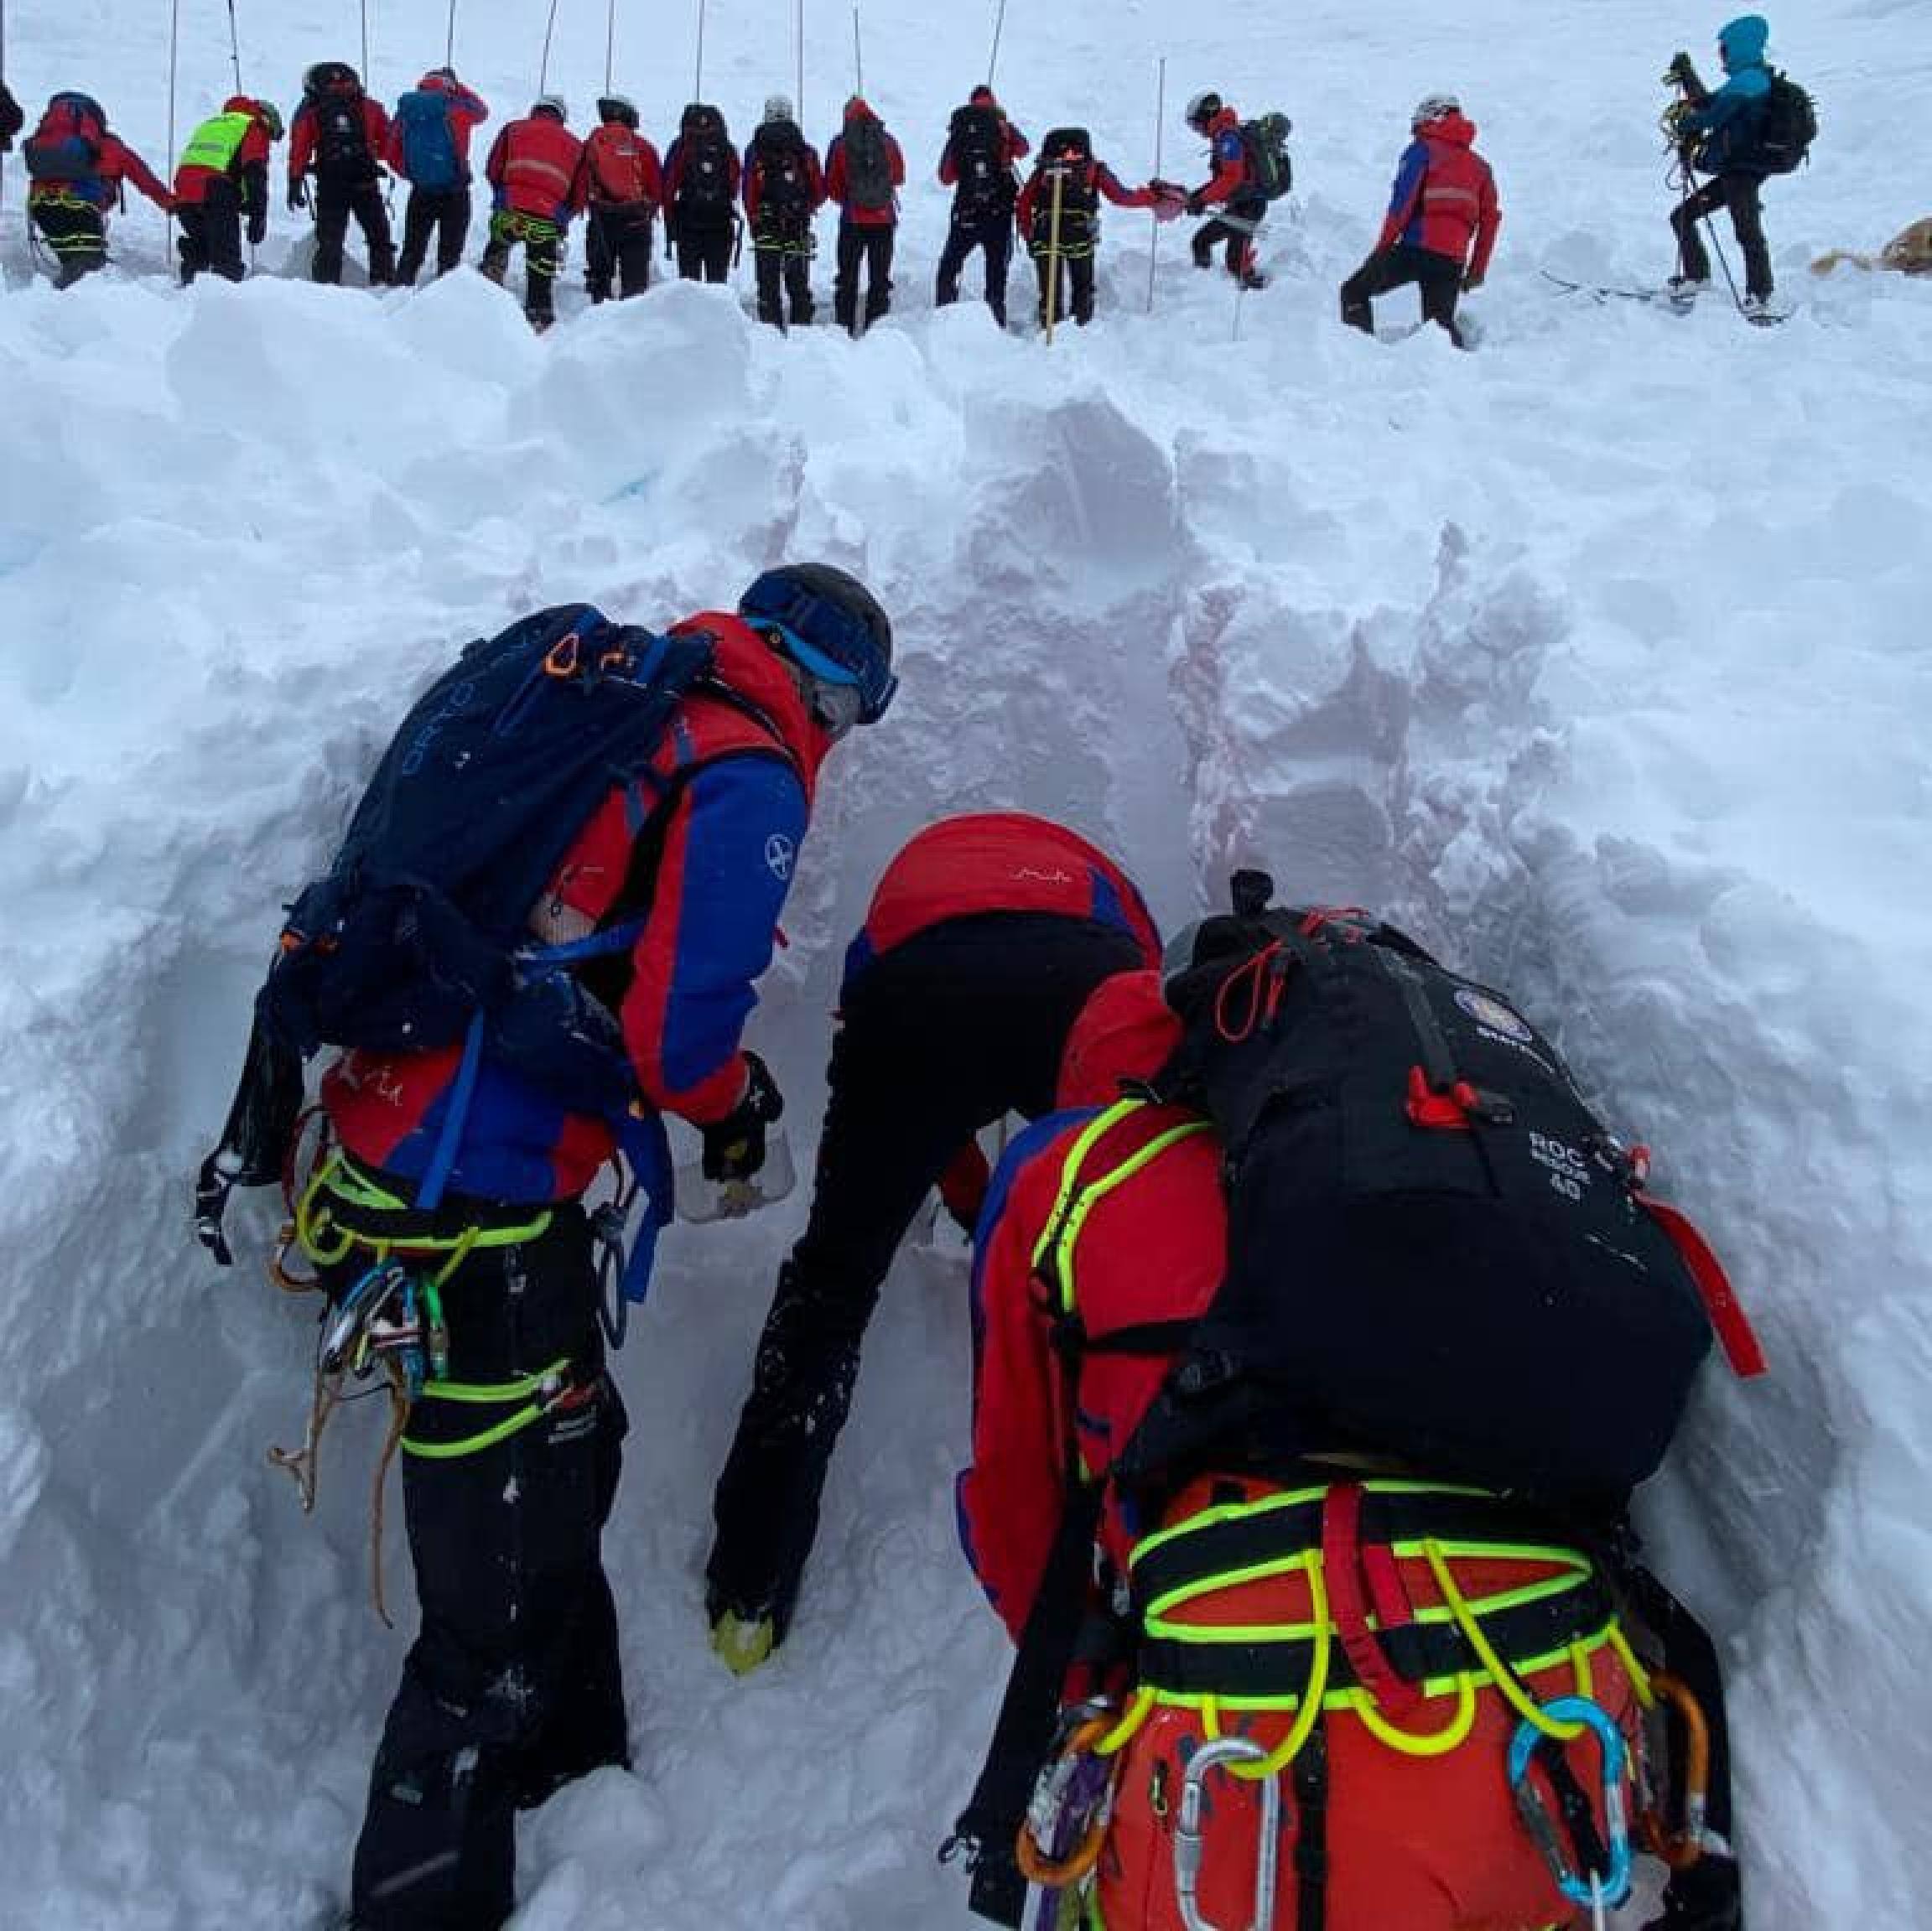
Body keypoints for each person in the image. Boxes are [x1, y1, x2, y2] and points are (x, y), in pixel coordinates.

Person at [211, 563, 896, 1931]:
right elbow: (675, 1041)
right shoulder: (746, 771)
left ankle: (579, 1784)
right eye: (853, 714)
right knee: (488, 1625)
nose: (836, 739)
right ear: (829, 692)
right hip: (477, 1199)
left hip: (393, 1145)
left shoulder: (640, 706)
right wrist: (729, 1103)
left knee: (579, 1452)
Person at [954, 898, 1755, 1931]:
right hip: (1542, 1733)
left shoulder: (1078, 1171)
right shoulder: (1460, 1166)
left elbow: (1017, 1504)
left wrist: (1089, 1681)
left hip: (1233, 1774)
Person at [706, 813, 1161, 1671]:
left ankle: (748, 1592)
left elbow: (928, 1104)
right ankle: (1144, 1526)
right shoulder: (1110, 896)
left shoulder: (911, 888)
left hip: (910, 981)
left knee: (831, 1284)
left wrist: (969, 1200)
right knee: (1124, 1248)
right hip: (1086, 974)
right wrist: (1013, 1219)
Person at [1340, 92, 1500, 346]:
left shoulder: (1422, 150)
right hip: (1452, 262)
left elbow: (1401, 204)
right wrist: (1476, 271)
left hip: (1415, 251)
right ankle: (1463, 377)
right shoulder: (1482, 168)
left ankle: (1358, 353)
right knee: (1441, 331)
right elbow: (1490, 223)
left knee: (1353, 292)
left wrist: (1382, 249)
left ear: (1432, 117)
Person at [1665, 15, 1778, 309]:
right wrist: (1687, 75)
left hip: (1741, 170)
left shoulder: (1749, 82)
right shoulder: (1750, 80)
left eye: (1725, 48)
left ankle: (1760, 294)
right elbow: (1708, 105)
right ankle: (1700, 278)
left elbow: (1711, 115)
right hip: (1739, 170)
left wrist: (1685, 125)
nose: (1722, 54)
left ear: (1738, 47)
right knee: (1685, 217)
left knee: (1746, 230)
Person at [21, 90, 174, 285]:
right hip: (80, 208)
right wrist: (172, 203)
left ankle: (62, 298)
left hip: (42, 208)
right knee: (88, 266)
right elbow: (143, 178)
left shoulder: (46, 141)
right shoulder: (108, 145)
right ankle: (69, 306)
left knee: (73, 258)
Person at [1015, 127, 1157, 329]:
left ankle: (1049, 329)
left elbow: (1023, 203)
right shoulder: (1093, 169)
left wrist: (1029, 234)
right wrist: (1150, 197)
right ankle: (1080, 329)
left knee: (1049, 291)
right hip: (1079, 235)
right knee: (1082, 286)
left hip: (1045, 235)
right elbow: (1121, 196)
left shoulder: (1043, 171)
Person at [288, 62, 398, 287]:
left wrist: (295, 179)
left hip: (331, 184)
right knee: (379, 238)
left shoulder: (312, 109)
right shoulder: (370, 106)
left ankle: (327, 291)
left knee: (330, 242)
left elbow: (300, 147)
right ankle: (385, 287)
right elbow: (389, 144)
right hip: (365, 182)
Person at [481, 95, 583, 330]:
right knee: (540, 269)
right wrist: (563, 217)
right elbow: (579, 191)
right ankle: (538, 315)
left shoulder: (513, 129)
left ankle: (483, 302)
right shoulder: (575, 144)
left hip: (510, 209)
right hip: (547, 217)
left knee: (496, 253)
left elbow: (493, 167)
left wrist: (502, 195)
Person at [935, 84, 1031, 325]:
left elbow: (945, 176)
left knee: (950, 266)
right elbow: (1025, 149)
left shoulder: (961, 131)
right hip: (999, 213)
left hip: (966, 212)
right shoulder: (1002, 127)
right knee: (996, 272)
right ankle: (995, 324)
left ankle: (943, 319)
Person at [390, 70, 490, 286]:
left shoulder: (406, 110)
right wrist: (458, 87)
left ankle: (398, 292)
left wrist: (411, 174)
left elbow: (391, 149)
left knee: (412, 249)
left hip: (421, 191)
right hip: (455, 190)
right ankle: (445, 300)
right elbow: (482, 111)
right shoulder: (457, 107)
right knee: (450, 253)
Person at [172, 94, 283, 282]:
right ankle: (228, 303)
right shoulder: (253, 126)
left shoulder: (213, 124)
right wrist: (258, 215)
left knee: (201, 248)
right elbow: (254, 172)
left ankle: (187, 294)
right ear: (267, 120)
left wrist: (242, 201)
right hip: (216, 190)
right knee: (226, 260)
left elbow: (218, 163)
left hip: (184, 191)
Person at [739, 93, 825, 330]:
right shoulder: (804, 149)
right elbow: (818, 190)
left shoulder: (755, 149)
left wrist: (754, 217)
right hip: (797, 224)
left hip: (765, 225)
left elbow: (748, 190)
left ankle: (771, 334)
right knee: (798, 285)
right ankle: (802, 333)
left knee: (768, 286)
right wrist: (806, 208)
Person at [824, 94, 905, 335]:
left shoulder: (840, 144)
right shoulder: (888, 141)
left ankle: (844, 330)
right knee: (879, 278)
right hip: (884, 220)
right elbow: (899, 176)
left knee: (847, 277)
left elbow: (832, 186)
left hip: (853, 220)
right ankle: (877, 332)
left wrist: (851, 199)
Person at [572, 94, 663, 303]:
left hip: (601, 218)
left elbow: (581, 179)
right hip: (636, 219)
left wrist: (578, 207)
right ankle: (632, 327)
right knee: (635, 284)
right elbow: (655, 185)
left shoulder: (593, 143)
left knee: (600, 278)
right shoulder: (644, 147)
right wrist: (651, 210)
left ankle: (599, 320)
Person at [1183, 91, 1269, 287]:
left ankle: (1261, 301)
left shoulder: (1228, 138)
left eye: (1197, 125)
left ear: (1207, 117)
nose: (1198, 131)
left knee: (1236, 264)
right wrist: (1199, 195)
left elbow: (1232, 178)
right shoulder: (1223, 135)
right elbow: (1225, 178)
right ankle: (1202, 287)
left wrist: (1203, 200)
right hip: (1239, 204)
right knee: (1200, 242)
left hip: (1250, 207)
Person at [662, 101, 741, 283]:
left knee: (689, 285)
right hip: (720, 223)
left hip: (688, 223)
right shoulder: (726, 148)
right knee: (717, 284)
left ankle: (691, 312)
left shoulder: (681, 146)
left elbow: (668, 186)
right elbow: (735, 182)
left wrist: (670, 221)